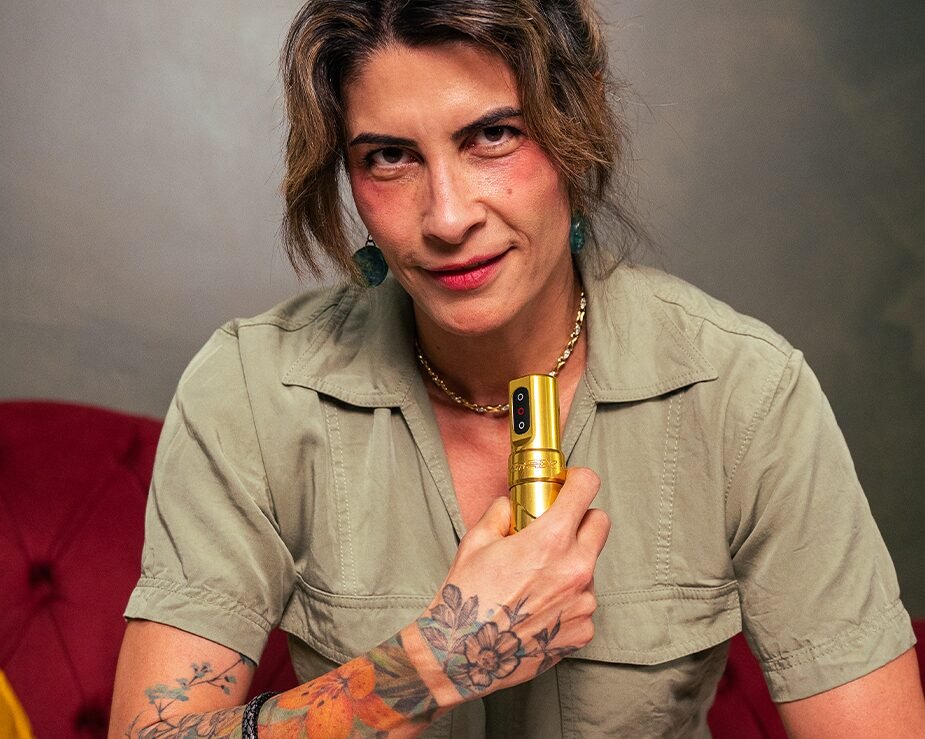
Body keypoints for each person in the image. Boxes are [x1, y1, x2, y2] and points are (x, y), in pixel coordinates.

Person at [110, 1, 925, 737]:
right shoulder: (252, 388)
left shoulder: (744, 391)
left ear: (580, 115)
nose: (447, 216)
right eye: (389, 156)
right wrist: (432, 664)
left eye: (493, 136)